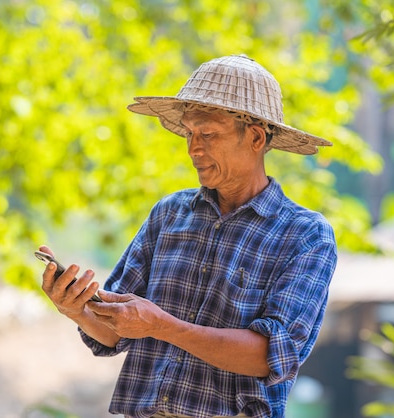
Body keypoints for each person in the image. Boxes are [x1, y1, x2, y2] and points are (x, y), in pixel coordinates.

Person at [39, 54, 337, 418]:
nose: (194, 148)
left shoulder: (305, 235)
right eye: (190, 133)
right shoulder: (169, 214)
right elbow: (116, 330)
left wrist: (162, 326)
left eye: (208, 134)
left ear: (256, 137)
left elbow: (267, 356)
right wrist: (77, 309)